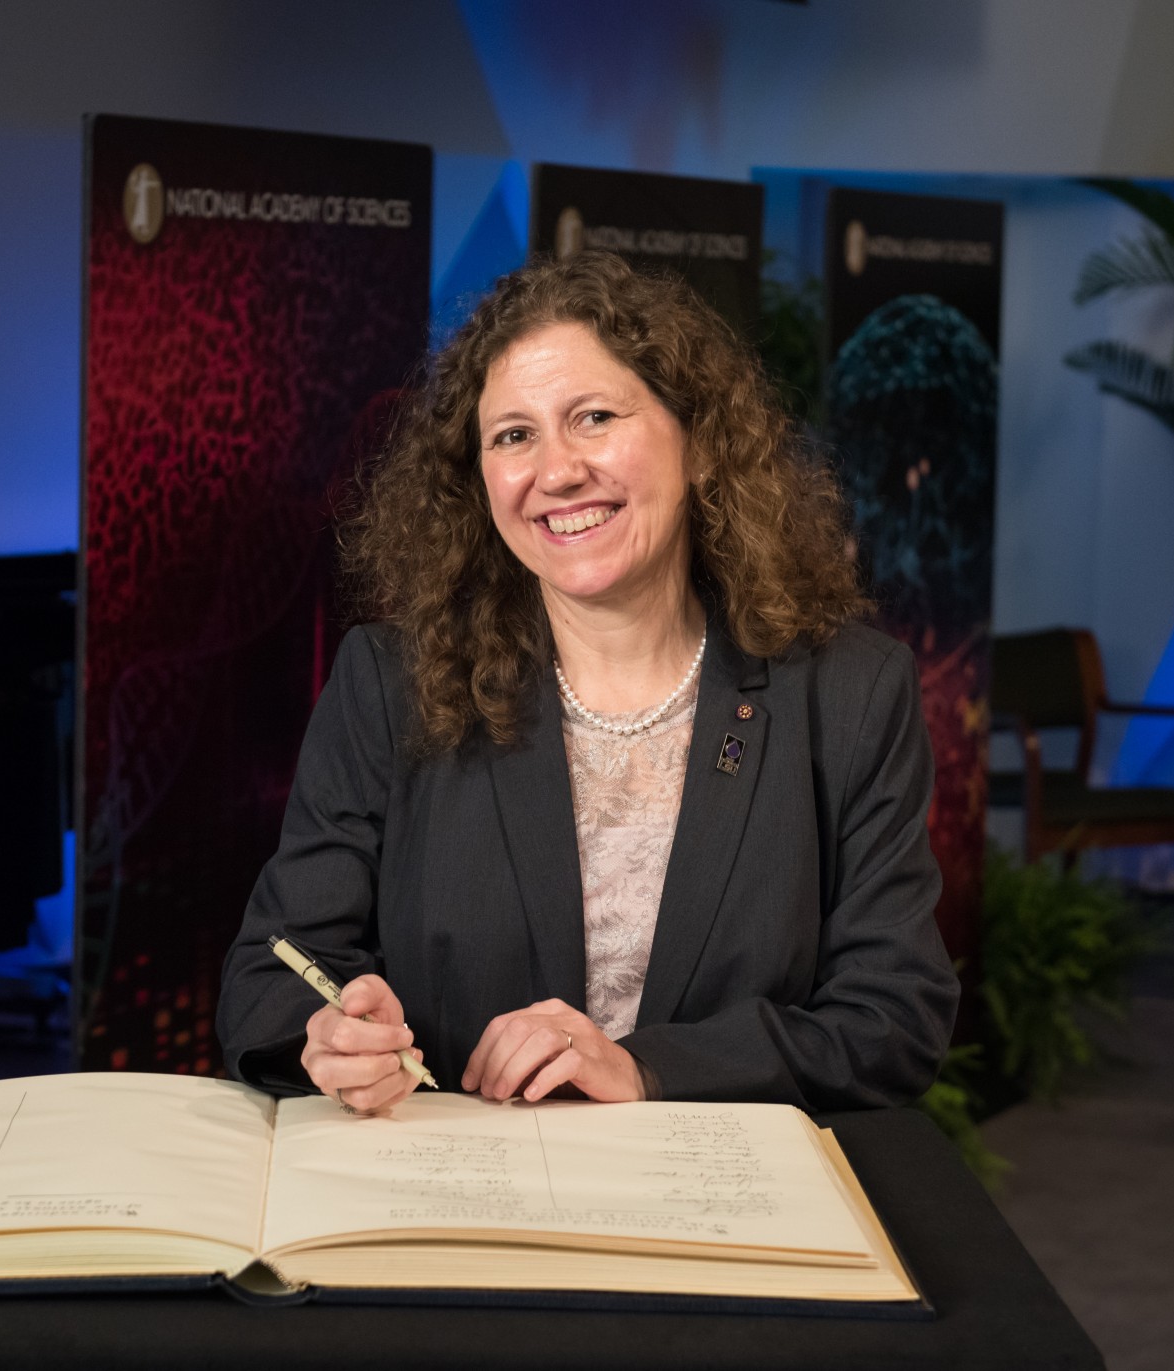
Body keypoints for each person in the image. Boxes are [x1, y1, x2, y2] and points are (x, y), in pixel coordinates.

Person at [217, 250, 958, 1114]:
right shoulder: (391, 682)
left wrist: (648, 1068)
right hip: (457, 1204)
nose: (556, 470)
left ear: (700, 442)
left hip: (718, 1210)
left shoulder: (848, 693)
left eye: (594, 416)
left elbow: (892, 1017)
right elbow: (272, 966)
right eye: (514, 435)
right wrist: (328, 1034)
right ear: (479, 480)